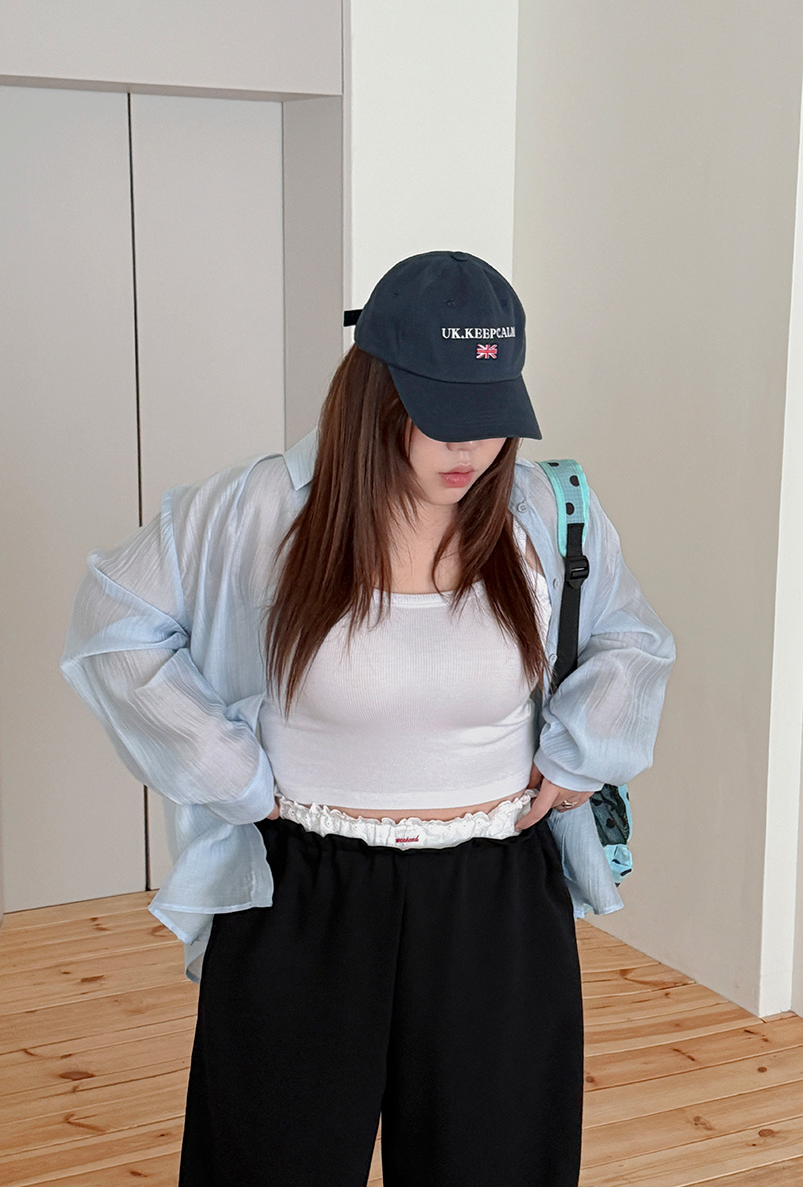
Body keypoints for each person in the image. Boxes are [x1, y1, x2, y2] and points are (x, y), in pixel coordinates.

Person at [61, 250, 676, 1187]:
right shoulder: (258, 511)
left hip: (495, 901)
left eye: (491, 415)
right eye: (440, 413)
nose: (470, 448)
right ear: (374, 391)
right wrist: (227, 772)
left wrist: (578, 753)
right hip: (304, 895)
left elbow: (633, 639)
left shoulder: (545, 511)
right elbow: (114, 623)